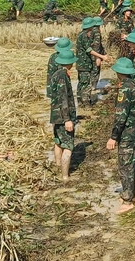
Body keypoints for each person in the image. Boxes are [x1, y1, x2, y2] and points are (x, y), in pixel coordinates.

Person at [106, 57, 135, 213]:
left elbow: (120, 116)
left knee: (125, 165)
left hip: (127, 133)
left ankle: (128, 201)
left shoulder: (124, 89)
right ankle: (132, 195)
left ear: (119, 73)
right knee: (133, 163)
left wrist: (113, 137)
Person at [50, 49, 78, 181]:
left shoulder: (56, 74)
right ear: (70, 63)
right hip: (63, 117)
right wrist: (67, 119)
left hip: (56, 116)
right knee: (68, 145)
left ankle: (58, 166)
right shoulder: (63, 76)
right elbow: (63, 99)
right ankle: (65, 176)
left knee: (58, 142)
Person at [76, 17, 109, 107]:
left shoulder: (82, 34)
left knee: (81, 83)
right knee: (86, 84)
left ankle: (80, 101)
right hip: (84, 63)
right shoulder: (83, 36)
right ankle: (86, 104)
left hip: (81, 63)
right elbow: (89, 50)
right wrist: (101, 56)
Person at [91, 17, 105, 91]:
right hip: (95, 55)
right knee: (95, 71)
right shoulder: (96, 32)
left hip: (90, 54)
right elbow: (97, 45)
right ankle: (93, 87)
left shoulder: (89, 31)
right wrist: (98, 57)